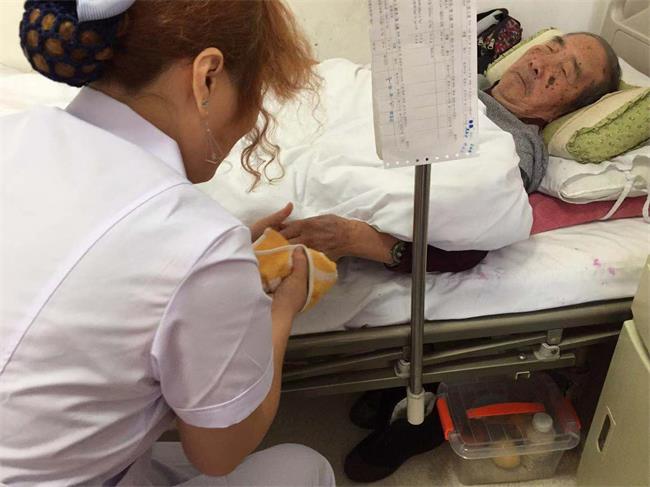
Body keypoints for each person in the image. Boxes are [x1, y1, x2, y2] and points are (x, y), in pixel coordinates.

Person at [0, 1, 335, 485]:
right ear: (207, 78)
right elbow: (217, 454)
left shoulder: (14, 131)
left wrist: (217, 267)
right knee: (305, 467)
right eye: (255, 94)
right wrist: (282, 309)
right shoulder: (198, 242)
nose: (249, 123)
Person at [278, 32, 621, 276]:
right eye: (547, 48)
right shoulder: (461, 82)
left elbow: (472, 235)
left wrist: (351, 238)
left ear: (567, 109)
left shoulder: (516, 145)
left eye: (562, 72)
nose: (538, 63)